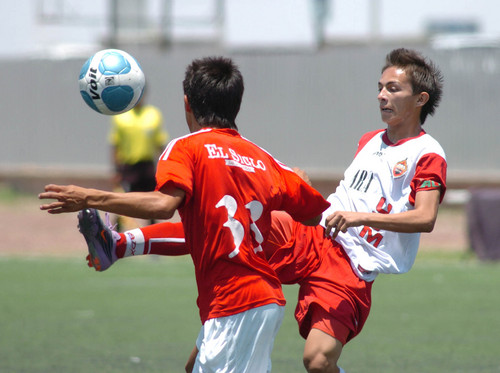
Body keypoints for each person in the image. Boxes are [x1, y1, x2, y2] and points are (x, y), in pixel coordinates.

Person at [74, 48, 447, 373]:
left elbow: (424, 218)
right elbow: (339, 202)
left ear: (420, 99)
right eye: (380, 88)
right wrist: (303, 190)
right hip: (315, 235)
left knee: (317, 362)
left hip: (353, 264)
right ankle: (119, 244)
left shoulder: (427, 153)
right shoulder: (369, 141)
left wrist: (357, 218)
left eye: (393, 89)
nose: (382, 95)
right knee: (227, 218)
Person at [39, 56, 330, 373]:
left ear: (186, 103)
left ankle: (118, 244)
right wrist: (300, 183)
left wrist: (89, 196)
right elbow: (315, 214)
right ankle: (118, 244)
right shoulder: (264, 160)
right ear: (237, 104)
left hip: (236, 304)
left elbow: (163, 206)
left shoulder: (187, 148)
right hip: (253, 300)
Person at [109, 89, 168, 229]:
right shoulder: (121, 116)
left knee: (152, 202)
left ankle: (153, 232)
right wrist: (116, 170)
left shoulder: (153, 115)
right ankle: (115, 233)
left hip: (147, 166)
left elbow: (160, 143)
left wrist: (165, 168)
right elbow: (115, 145)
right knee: (121, 202)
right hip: (128, 167)